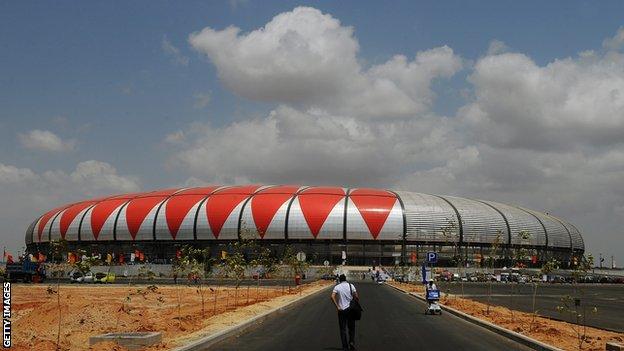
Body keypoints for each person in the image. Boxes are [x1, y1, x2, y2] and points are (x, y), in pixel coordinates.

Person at [331, 274, 359, 350]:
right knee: (351, 328)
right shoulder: (351, 286)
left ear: (339, 280)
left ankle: (345, 346)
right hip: (351, 310)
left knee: (342, 329)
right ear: (346, 279)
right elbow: (356, 296)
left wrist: (337, 306)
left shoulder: (337, 287)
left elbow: (332, 296)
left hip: (342, 311)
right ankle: (352, 342)